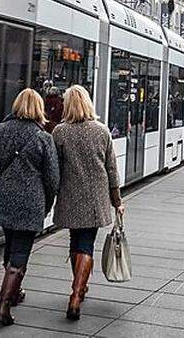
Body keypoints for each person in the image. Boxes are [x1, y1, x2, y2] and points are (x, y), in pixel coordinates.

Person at [0, 88, 59, 327]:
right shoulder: (43, 137)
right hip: (30, 200)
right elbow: (52, 176)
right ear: (39, 109)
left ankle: (14, 293)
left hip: (4, 198)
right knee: (21, 251)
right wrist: (48, 199)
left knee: (10, 244)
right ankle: (4, 304)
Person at [51, 85, 123, 321]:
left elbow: (55, 169)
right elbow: (112, 169)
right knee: (86, 243)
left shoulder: (60, 132)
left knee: (75, 240)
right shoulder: (101, 131)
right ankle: (76, 294)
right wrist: (117, 201)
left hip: (70, 195)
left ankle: (78, 289)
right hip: (94, 198)